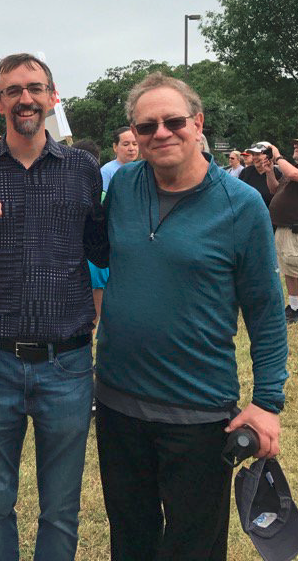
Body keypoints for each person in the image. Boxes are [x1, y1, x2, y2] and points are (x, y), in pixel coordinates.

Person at [95, 73, 288, 560]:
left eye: (174, 121)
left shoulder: (241, 205)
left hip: (198, 415)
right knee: (130, 541)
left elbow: (266, 312)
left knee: (193, 549)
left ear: (197, 124)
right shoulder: (121, 188)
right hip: (118, 406)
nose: (161, 133)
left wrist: (266, 403)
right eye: (146, 126)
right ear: (134, 135)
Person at [0, 53, 107, 561]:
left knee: (61, 506)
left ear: (53, 96)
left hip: (67, 361)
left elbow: (102, 249)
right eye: (13, 90)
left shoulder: (84, 170)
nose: (26, 98)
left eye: (36, 88)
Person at [90, 126, 138, 321]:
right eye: (126, 144)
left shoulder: (143, 169)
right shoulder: (107, 172)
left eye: (135, 143)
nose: (131, 148)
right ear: (115, 147)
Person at [262, 139, 298, 323]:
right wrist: (269, 172)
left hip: (294, 230)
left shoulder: (292, 171)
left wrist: (276, 155)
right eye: (294, 145)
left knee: (295, 269)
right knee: (289, 271)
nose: (295, 147)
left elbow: (292, 174)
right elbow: (275, 189)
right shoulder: (291, 170)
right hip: (284, 229)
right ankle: (294, 307)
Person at [239, 142, 280, 207]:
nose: (254, 157)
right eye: (253, 154)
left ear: (269, 155)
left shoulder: (277, 173)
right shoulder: (246, 172)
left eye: (258, 154)